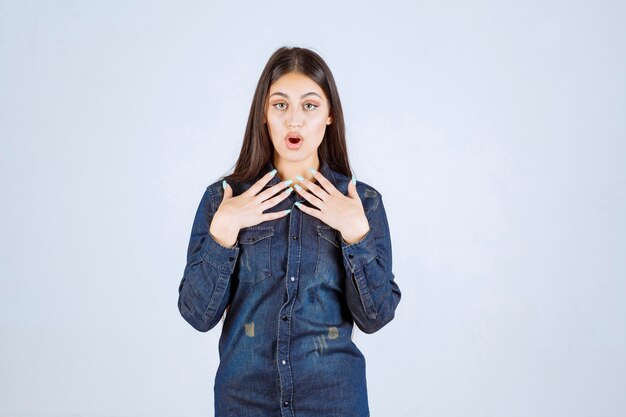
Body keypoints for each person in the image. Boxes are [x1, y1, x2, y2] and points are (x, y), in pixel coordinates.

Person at [177, 46, 401, 417]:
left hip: (334, 399)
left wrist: (356, 235)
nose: (294, 120)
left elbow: (375, 318)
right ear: (264, 114)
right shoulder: (225, 199)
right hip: (244, 400)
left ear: (329, 115)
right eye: (280, 105)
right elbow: (197, 315)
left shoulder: (363, 202)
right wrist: (223, 231)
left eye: (309, 106)